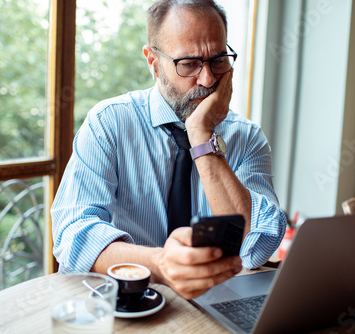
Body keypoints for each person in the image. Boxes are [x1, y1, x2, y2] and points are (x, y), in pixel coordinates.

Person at [51, 0, 286, 300]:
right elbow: (73, 235)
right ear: (153, 62)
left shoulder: (247, 137)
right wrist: (159, 264)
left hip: (218, 307)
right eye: (188, 63)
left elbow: (260, 245)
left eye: (218, 60)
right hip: (130, 305)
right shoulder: (109, 123)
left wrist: (202, 137)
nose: (208, 79)